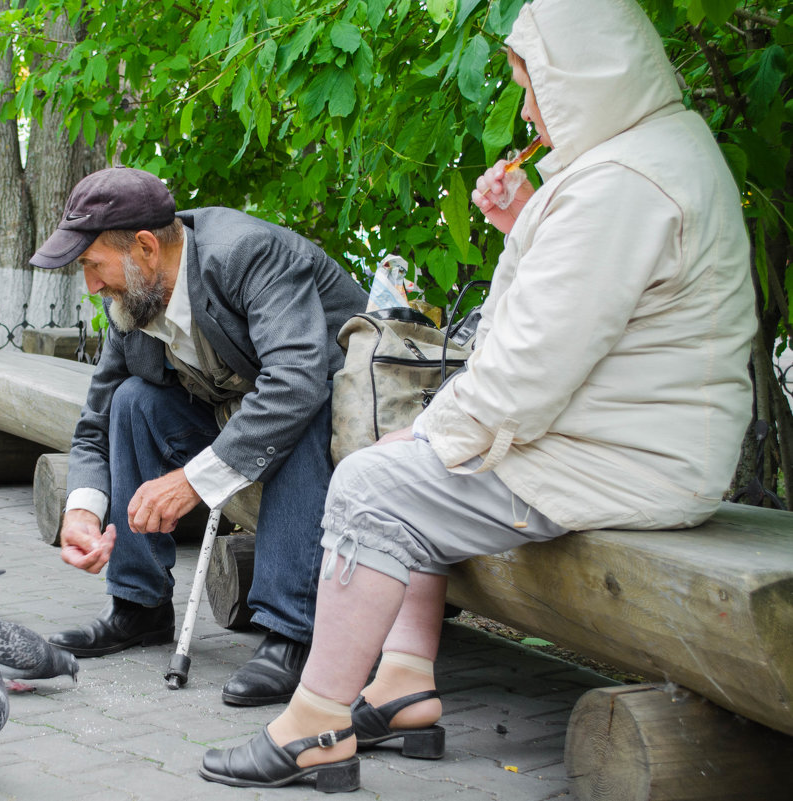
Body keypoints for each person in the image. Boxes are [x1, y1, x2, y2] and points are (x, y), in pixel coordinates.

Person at [199, 0, 756, 791]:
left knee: (374, 480)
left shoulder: (622, 183)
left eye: (535, 86)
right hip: (635, 441)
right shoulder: (642, 157)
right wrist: (523, 222)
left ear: (585, 78)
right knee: (402, 466)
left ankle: (315, 723)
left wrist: (430, 436)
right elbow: (593, 309)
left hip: (632, 462)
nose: (529, 108)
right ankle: (401, 686)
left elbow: (529, 366)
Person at [29, 166, 368, 706]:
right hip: (238, 413)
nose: (91, 285)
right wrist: (83, 511)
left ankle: (291, 633)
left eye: (94, 265)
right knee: (133, 401)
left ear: (144, 248)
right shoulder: (131, 303)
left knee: (306, 411)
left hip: (337, 418)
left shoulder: (246, 254)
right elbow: (95, 421)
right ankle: (139, 607)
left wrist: (191, 481)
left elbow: (298, 382)